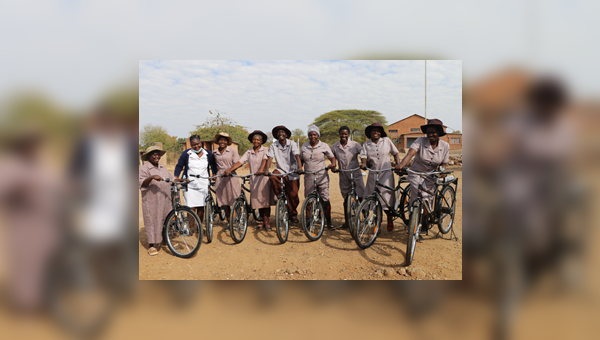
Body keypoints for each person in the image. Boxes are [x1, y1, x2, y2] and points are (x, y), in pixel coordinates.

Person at [397, 118, 449, 234]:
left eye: (434, 132)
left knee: (428, 201)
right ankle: (414, 223)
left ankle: (424, 221)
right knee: (421, 197)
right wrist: (401, 165)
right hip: (416, 174)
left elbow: (443, 164)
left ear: (439, 133)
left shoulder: (445, 146)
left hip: (431, 176)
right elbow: (410, 154)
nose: (431, 134)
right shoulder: (420, 141)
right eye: (429, 132)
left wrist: (441, 171)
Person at [139, 146, 188, 256]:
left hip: (165, 199)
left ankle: (165, 241)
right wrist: (151, 177)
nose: (157, 156)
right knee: (151, 220)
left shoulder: (162, 167)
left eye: (158, 154)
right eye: (154, 154)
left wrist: (182, 180)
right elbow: (141, 183)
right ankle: (151, 245)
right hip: (152, 200)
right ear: (148, 156)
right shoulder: (144, 169)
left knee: (166, 219)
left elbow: (172, 179)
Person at [224, 130, 273, 230]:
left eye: (258, 140)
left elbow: (265, 159)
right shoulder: (249, 152)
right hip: (254, 179)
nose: (256, 141)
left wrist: (261, 169)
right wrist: (230, 169)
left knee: (265, 200)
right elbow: (240, 162)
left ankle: (267, 222)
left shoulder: (265, 149)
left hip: (263, 178)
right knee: (258, 201)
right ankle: (261, 221)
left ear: (261, 141)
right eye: (254, 139)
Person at [360, 122, 401, 231]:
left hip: (386, 174)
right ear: (370, 132)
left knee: (386, 198)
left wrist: (398, 164)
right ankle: (376, 221)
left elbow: (395, 153)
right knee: (373, 198)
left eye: (378, 131)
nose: (375, 132)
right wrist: (364, 164)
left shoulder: (386, 141)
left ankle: (389, 218)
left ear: (381, 133)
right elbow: (363, 156)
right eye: (373, 130)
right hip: (373, 174)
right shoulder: (366, 144)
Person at [298, 125, 337, 229]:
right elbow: (301, 159)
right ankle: (308, 223)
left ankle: (329, 222)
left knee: (324, 198)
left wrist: (333, 164)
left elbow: (332, 157)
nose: (312, 136)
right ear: (308, 136)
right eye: (310, 135)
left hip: (322, 175)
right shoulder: (304, 146)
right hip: (309, 176)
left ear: (318, 135)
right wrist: (299, 168)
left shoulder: (323, 145)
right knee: (309, 200)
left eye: (314, 134)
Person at [174, 134, 217, 224]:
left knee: (201, 207)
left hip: (203, 183)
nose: (196, 146)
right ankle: (191, 227)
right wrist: (176, 176)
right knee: (191, 207)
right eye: (194, 145)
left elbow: (213, 164)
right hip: (190, 184)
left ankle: (199, 227)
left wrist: (214, 172)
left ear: (201, 142)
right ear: (190, 145)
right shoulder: (186, 154)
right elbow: (179, 165)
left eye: (198, 143)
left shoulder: (208, 153)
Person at [263, 125, 302, 223]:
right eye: (278, 133)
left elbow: (296, 155)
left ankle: (293, 214)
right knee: (272, 177)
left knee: (293, 196)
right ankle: (280, 196)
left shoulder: (292, 143)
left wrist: (300, 167)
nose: (280, 134)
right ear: (276, 135)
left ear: (286, 134)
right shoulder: (274, 145)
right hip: (280, 169)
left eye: (282, 132)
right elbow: (270, 157)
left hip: (292, 170)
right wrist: (266, 169)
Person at [331, 126, 365, 229]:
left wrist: (363, 162)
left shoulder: (355, 145)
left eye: (346, 134)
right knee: (346, 199)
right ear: (339, 134)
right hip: (343, 174)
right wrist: (333, 167)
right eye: (342, 134)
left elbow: (363, 153)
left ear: (348, 134)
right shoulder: (335, 146)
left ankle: (366, 218)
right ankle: (347, 222)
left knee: (361, 196)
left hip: (355, 173)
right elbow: (332, 158)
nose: (344, 135)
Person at [213, 132, 241, 223]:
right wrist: (213, 174)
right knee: (224, 201)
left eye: (225, 140)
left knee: (235, 198)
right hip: (220, 177)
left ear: (227, 142)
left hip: (231, 176)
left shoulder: (232, 150)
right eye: (221, 140)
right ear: (218, 141)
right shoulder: (214, 152)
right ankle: (229, 221)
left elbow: (238, 163)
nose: (222, 142)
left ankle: (239, 219)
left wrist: (230, 170)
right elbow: (213, 165)